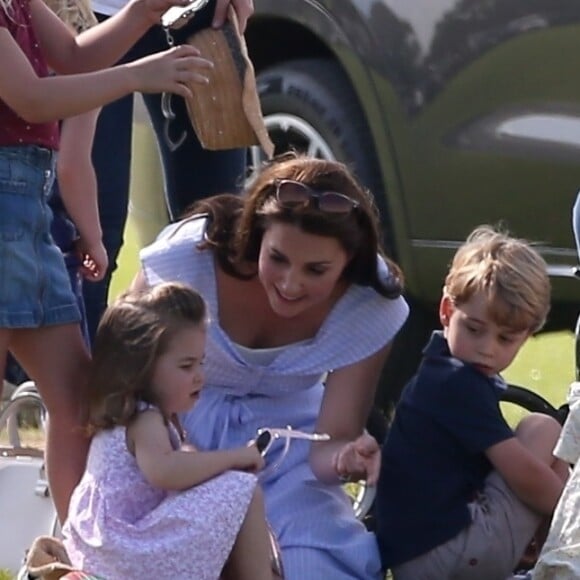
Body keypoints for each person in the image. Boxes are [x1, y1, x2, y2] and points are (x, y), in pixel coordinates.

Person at [130, 152, 410, 579]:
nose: (291, 283)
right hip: (177, 438)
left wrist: (348, 457)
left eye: (316, 269)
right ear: (257, 233)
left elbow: (329, 445)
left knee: (313, 563)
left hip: (288, 447)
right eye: (277, 258)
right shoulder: (189, 258)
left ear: (349, 264)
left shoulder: (369, 304)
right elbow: (119, 373)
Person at [0, 0, 214, 522]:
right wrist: (138, 75)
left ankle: (84, 546)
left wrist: (142, 13)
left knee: (79, 403)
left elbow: (73, 56)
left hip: (28, 214)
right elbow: (30, 98)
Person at [376, 225, 569, 580]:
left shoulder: (438, 369)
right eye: (474, 329)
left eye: (505, 338)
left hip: (415, 554)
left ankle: (545, 550)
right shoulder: (456, 383)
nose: (487, 348)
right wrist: (568, 510)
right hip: (447, 553)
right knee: (542, 429)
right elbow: (523, 475)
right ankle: (559, 547)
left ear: (527, 336)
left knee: (544, 443)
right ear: (448, 311)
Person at [62, 282, 275, 580]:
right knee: (244, 490)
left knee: (223, 493)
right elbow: (165, 471)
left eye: (201, 363)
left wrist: (193, 460)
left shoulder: (136, 415)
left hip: (109, 545)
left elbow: (168, 469)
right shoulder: (144, 418)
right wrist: (236, 457)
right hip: (127, 547)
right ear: (141, 366)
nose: (200, 376)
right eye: (186, 366)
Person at [83, 0, 254, 344]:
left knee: (217, 226)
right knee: (90, 233)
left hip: (196, 12)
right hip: (84, 16)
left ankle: (203, 378)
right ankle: (66, 389)